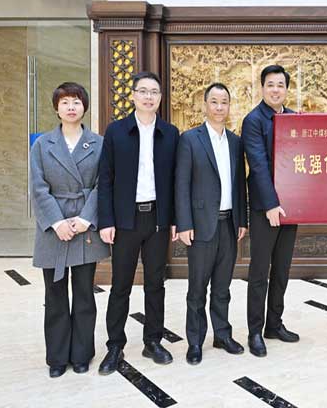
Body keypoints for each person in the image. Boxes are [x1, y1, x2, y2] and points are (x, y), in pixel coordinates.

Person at [97, 71, 179, 374]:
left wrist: (175, 219)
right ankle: (115, 345)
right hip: (125, 220)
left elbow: (176, 181)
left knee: (156, 283)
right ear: (133, 95)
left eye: (154, 92)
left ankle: (152, 341)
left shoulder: (170, 133)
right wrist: (106, 220)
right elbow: (105, 179)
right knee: (121, 285)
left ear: (160, 98)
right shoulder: (116, 131)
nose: (148, 97)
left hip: (157, 219)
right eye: (143, 91)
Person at [30, 82, 109, 378]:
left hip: (84, 228)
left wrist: (86, 218)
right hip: (53, 229)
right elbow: (38, 188)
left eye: (76, 101)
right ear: (56, 108)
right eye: (65, 102)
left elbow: (104, 184)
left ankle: (81, 354)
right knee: (55, 295)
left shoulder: (98, 143)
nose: (71, 107)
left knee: (85, 294)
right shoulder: (42, 145)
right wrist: (57, 222)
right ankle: (57, 357)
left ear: (84, 106)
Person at [175, 82, 248, 364]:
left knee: (222, 287)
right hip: (201, 225)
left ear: (229, 106)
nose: (219, 107)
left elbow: (239, 185)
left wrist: (241, 219)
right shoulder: (190, 139)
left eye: (224, 102)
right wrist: (183, 224)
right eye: (214, 102)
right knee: (197, 289)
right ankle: (195, 341)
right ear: (205, 105)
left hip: (229, 224)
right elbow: (181, 184)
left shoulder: (235, 142)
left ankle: (222, 335)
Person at [243, 64, 300, 357]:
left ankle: (274, 324)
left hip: (290, 208)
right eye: (270, 85)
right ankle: (254, 331)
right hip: (265, 209)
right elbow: (259, 165)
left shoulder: (293, 118)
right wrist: (270, 204)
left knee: (281, 269)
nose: (276, 90)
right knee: (259, 271)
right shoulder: (253, 120)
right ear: (262, 88)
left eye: (280, 85)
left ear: (286, 89)